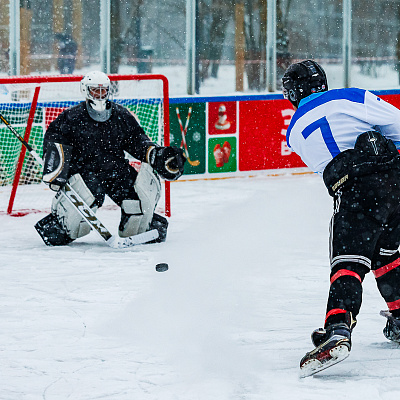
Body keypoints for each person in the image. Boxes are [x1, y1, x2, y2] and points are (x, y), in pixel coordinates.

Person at [282, 60, 400, 377]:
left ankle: (337, 328)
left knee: (348, 262)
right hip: (394, 183)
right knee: (387, 253)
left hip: (356, 192)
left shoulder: (293, 131)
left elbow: (331, 170)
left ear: (292, 93)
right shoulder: (351, 96)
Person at [35, 70, 186, 246]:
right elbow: (54, 140)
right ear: (85, 90)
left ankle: (138, 228)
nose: (100, 94)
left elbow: (137, 140)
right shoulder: (72, 118)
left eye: (103, 90)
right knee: (72, 219)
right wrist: (56, 168)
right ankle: (61, 225)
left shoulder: (121, 115)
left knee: (137, 204)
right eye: (95, 90)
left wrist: (156, 154)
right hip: (85, 174)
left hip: (116, 171)